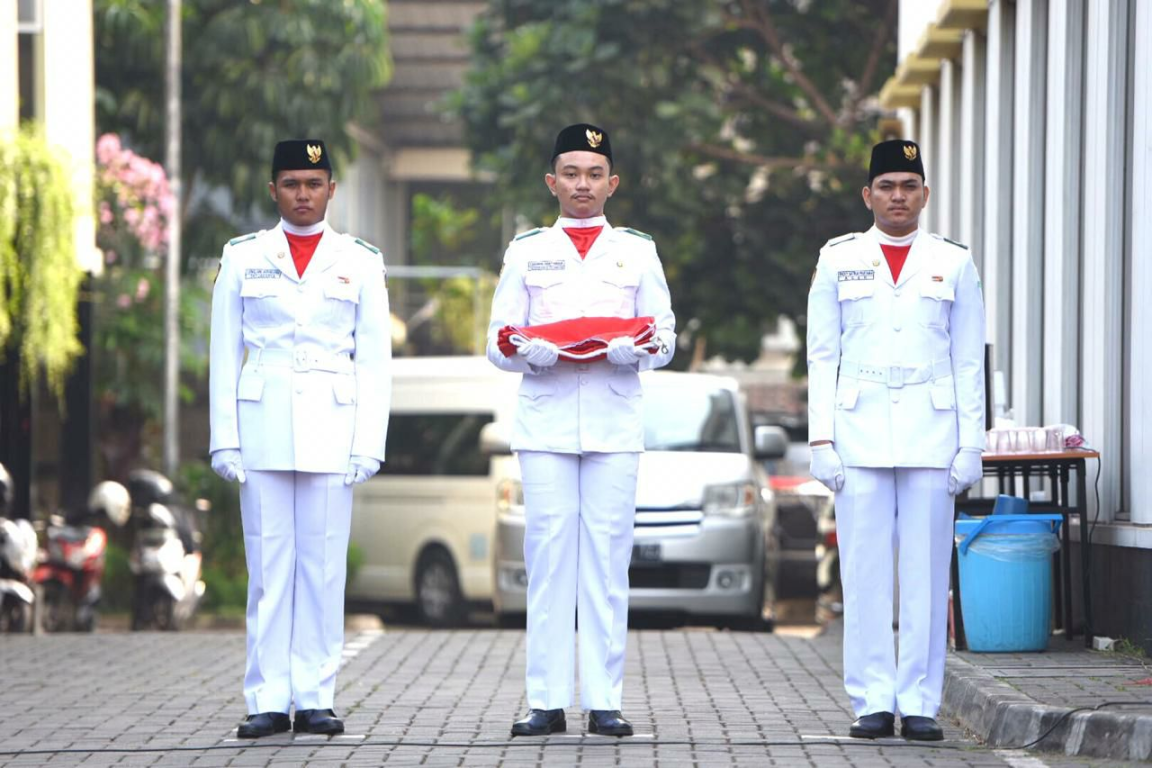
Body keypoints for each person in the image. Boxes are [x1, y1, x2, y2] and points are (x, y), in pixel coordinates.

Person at [487, 124, 675, 737]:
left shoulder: (637, 251)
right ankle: (544, 699)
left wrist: (635, 351)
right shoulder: (527, 250)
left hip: (614, 419)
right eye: (571, 173)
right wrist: (527, 354)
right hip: (544, 421)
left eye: (594, 174)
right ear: (552, 182)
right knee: (548, 560)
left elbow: (666, 335)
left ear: (612, 182)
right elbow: (497, 339)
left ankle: (603, 699)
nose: (583, 184)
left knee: (606, 560)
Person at [209, 139, 391, 739]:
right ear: (273, 191)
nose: (303, 194)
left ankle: (315, 696)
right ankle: (266, 698)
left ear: (332, 189)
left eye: (314, 183)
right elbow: (222, 355)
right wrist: (224, 440)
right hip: (261, 430)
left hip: (334, 432)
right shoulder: (244, 257)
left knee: (322, 568)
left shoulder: (360, 259)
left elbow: (374, 362)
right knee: (269, 568)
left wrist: (369, 442)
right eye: (291, 183)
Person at [806, 139, 985, 742]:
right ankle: (872, 701)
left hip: (933, 433)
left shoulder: (953, 260)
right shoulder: (839, 258)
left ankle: (920, 703)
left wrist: (971, 443)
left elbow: (967, 361)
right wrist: (820, 438)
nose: (898, 196)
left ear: (925, 195)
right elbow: (821, 354)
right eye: (887, 186)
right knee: (864, 573)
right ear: (868, 195)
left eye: (909, 186)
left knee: (927, 575)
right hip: (857, 431)